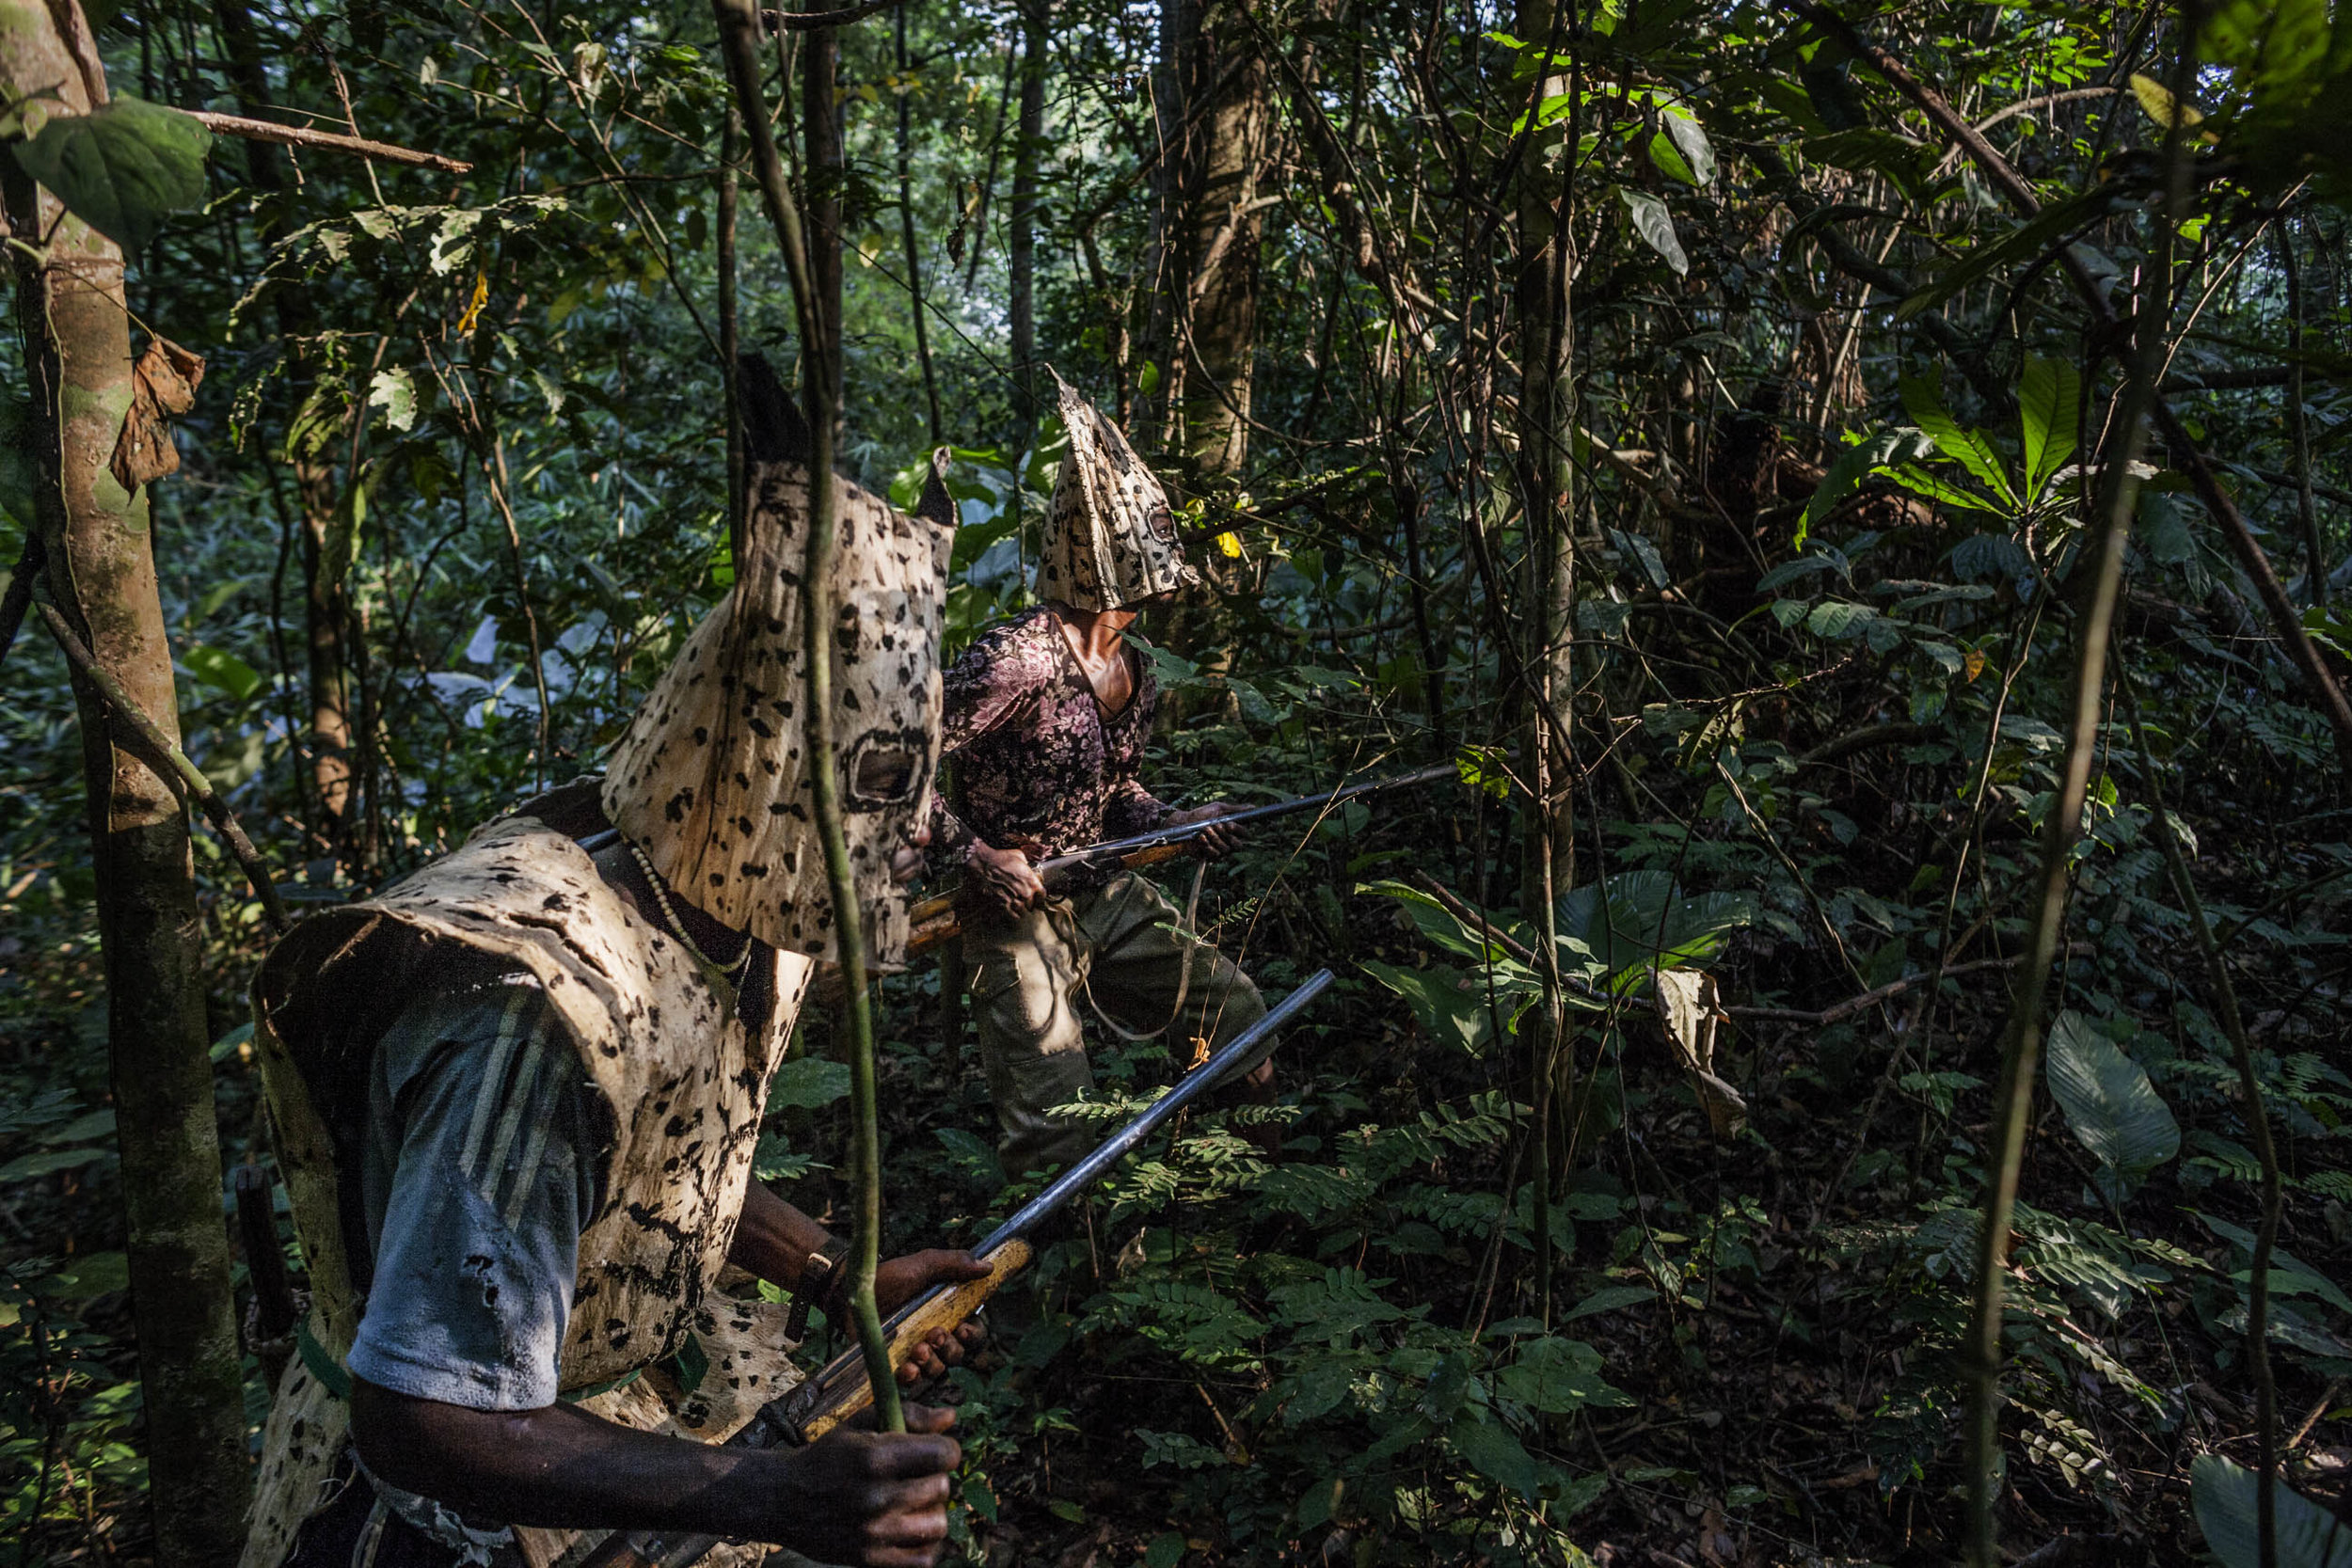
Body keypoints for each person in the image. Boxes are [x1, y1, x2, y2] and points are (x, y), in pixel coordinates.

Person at [242, 362, 980, 1568]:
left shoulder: (745, 908)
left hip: (596, 1419)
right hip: (427, 1515)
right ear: (763, 773)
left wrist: (841, 1272)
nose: (885, 844)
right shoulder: (535, 1010)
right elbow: (426, 1410)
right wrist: (769, 1493)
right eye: (865, 797)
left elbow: (664, 1161)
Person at [928, 372, 1273, 1180]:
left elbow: (1115, 793)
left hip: (1105, 894)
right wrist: (977, 855)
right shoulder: (1016, 659)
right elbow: (892, 759)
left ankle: (1247, 1217)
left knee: (1242, 1017)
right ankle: (1060, 1287)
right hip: (1015, 918)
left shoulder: (1136, 670)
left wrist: (1180, 822)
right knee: (1059, 1135)